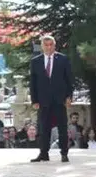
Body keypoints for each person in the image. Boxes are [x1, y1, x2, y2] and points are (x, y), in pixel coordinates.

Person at [29, 34, 73, 162]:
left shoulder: (63, 59)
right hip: (43, 101)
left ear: (54, 45)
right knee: (43, 128)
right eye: (46, 45)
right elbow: (33, 82)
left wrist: (69, 96)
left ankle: (64, 153)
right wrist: (34, 100)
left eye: (51, 45)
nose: (49, 47)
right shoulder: (35, 61)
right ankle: (44, 153)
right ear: (42, 46)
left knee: (62, 128)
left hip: (60, 100)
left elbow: (69, 79)